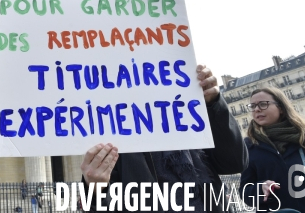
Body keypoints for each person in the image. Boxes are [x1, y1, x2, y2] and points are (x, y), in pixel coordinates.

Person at [81, 64, 248, 212]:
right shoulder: (112, 139)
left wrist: (214, 104)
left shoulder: (189, 116)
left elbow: (235, 162)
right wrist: (94, 190)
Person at [240, 87, 305, 212]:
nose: (257, 109)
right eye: (253, 106)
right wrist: (260, 189)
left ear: (281, 108)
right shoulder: (249, 146)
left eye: (263, 104)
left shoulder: (304, 140)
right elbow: (245, 192)